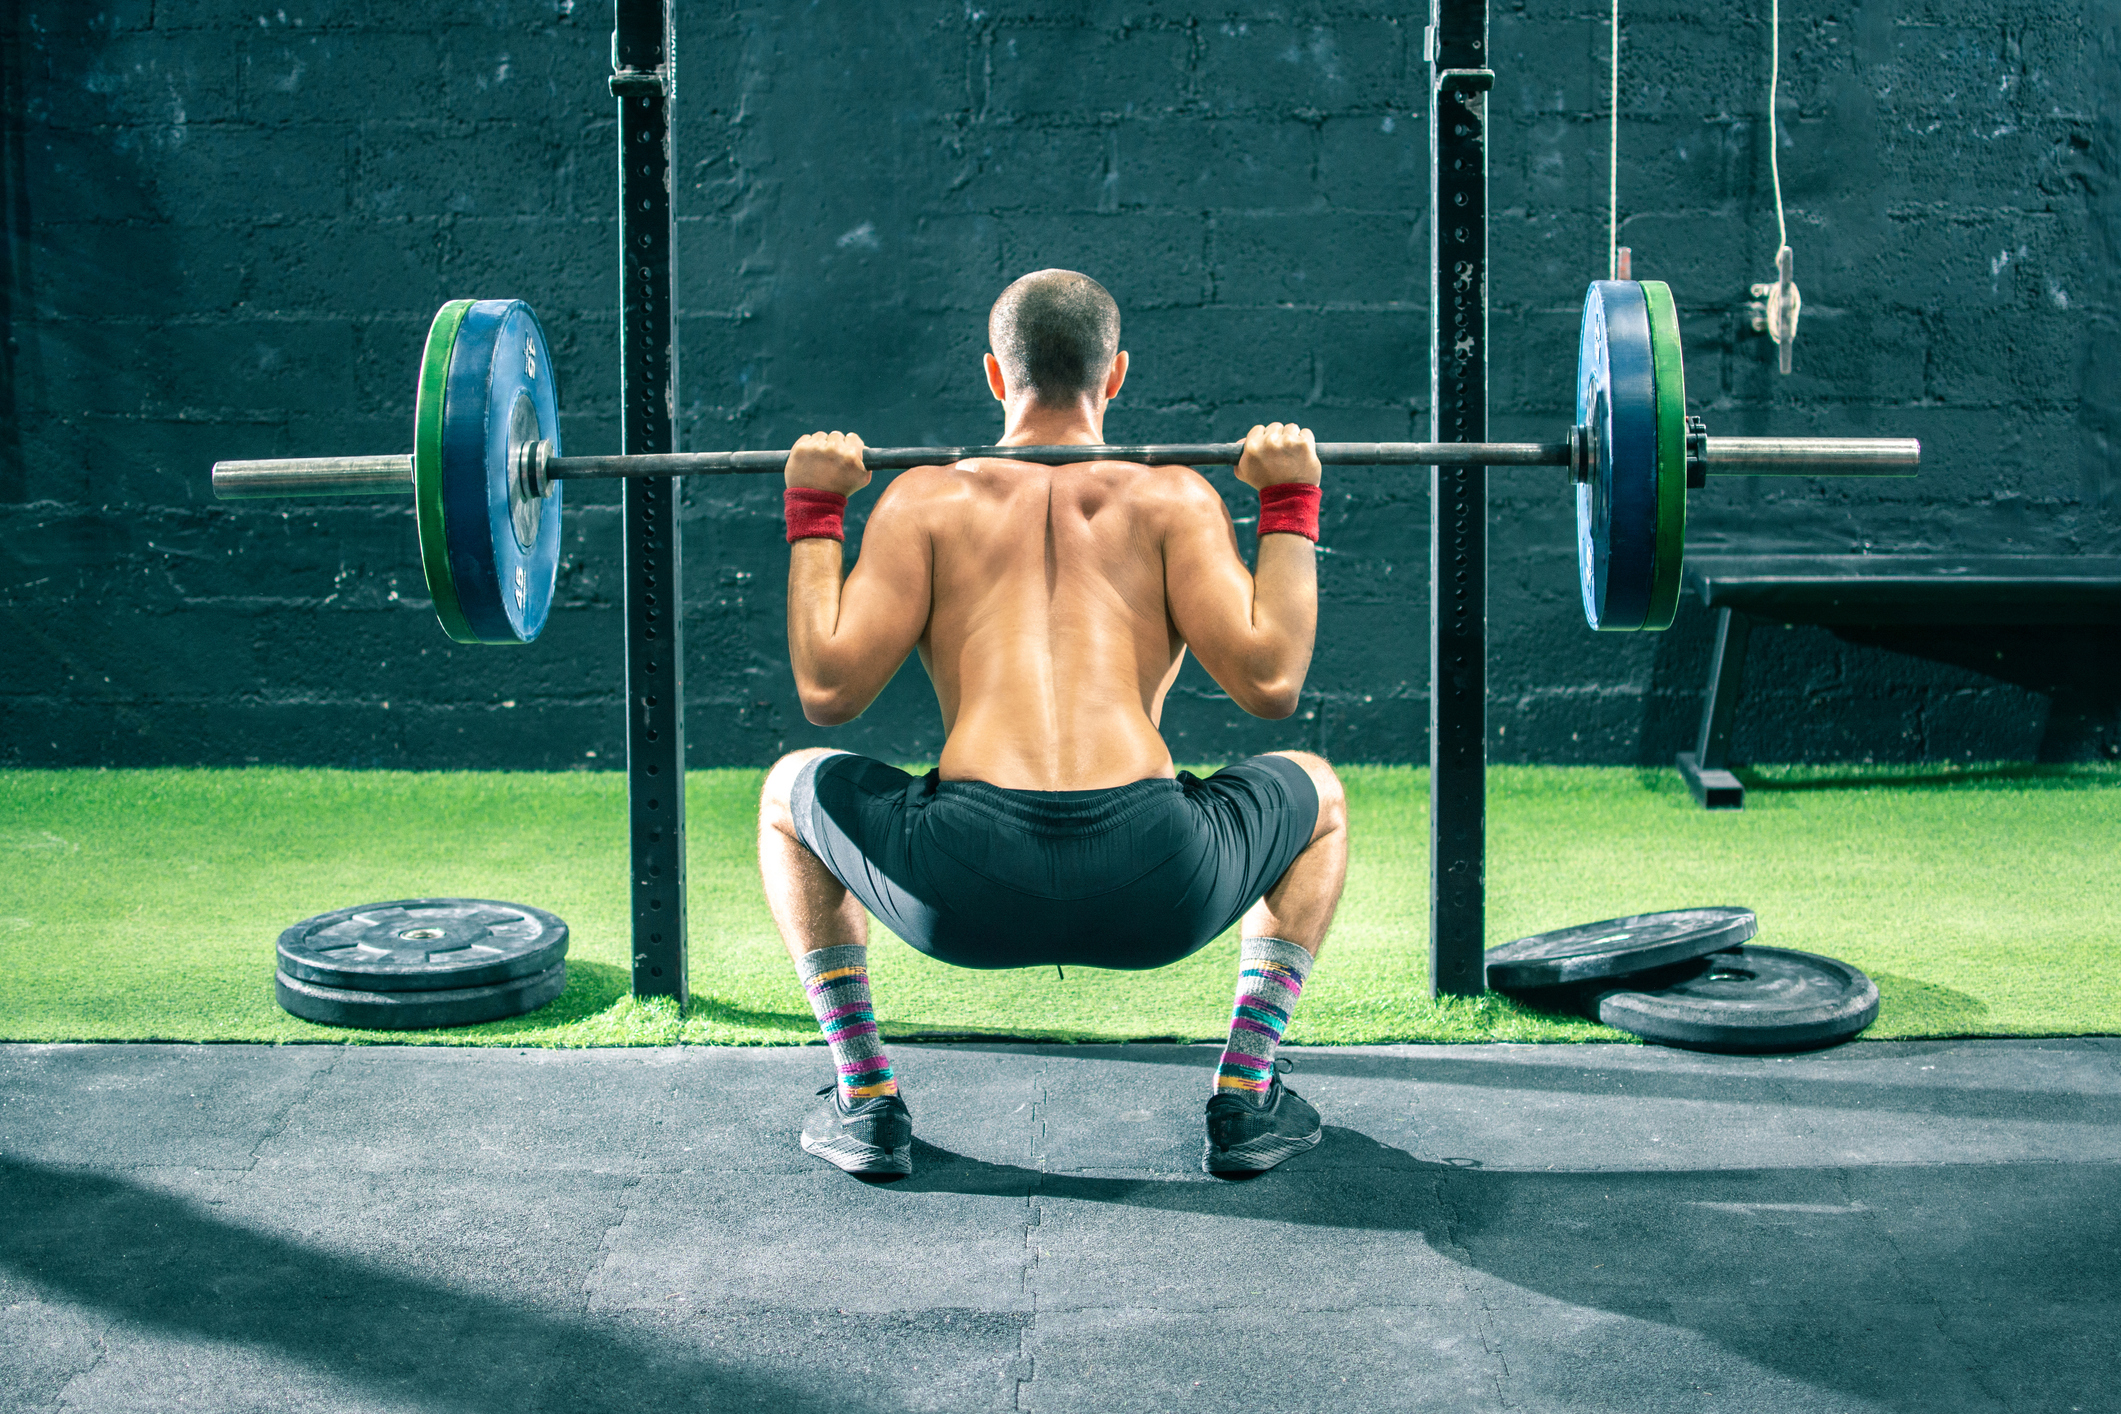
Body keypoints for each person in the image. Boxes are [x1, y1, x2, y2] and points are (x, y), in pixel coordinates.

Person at [757, 268, 1347, 1179]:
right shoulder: (1174, 500)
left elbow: (828, 693)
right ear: (1116, 377)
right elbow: (1271, 683)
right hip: (1159, 880)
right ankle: (1246, 1091)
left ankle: (865, 1098)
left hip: (958, 885)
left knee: (788, 790)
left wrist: (814, 510)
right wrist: (1288, 499)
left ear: (995, 376)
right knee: (1320, 792)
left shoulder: (922, 500)